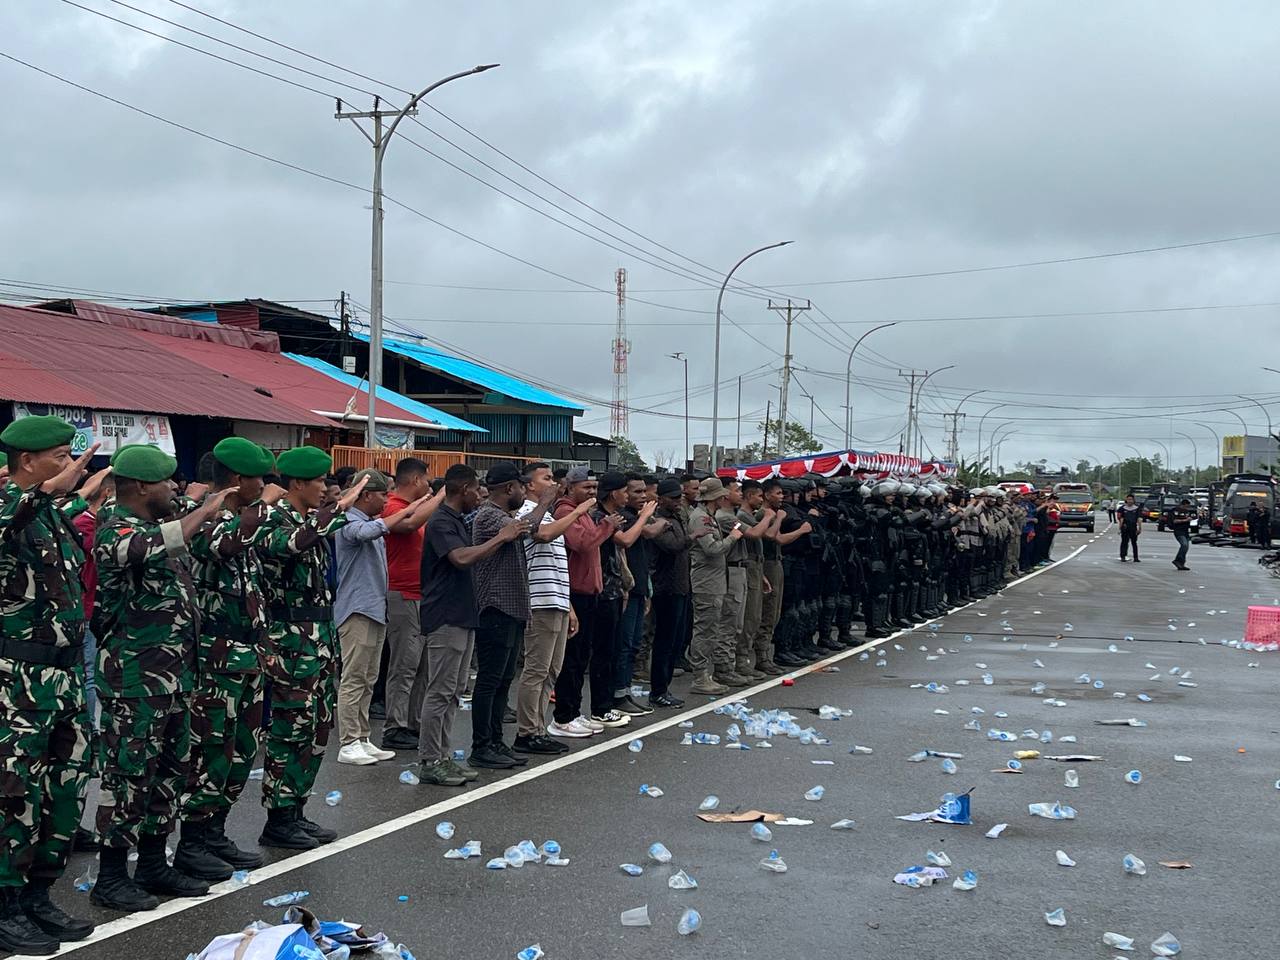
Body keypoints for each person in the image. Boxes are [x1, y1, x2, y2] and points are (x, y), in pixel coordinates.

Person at [91, 444, 232, 911]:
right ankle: (112, 876)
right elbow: (150, 548)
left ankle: (152, 861)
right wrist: (206, 508)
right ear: (141, 487)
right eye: (167, 482)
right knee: (129, 777)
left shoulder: (155, 527)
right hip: (135, 682)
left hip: (174, 680)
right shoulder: (117, 530)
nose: (175, 488)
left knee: (170, 775)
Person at [0, 418, 105, 952]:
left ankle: (38, 894)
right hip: (17, 682)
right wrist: (41, 494)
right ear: (26, 462)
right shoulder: (9, 510)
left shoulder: (49, 520)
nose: (68, 465)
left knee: (63, 791)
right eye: (60, 456)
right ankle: (5, 903)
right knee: (14, 795)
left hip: (62, 677)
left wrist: (56, 494)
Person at [173, 439, 282, 883]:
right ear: (238, 480)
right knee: (211, 751)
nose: (266, 486)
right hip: (217, 658)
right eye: (259, 479)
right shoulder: (207, 521)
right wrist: (262, 508)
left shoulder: (245, 520)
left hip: (249, 654)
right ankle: (192, 840)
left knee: (241, 750)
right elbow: (226, 547)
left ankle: (215, 830)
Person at [254, 449, 366, 850]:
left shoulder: (309, 521)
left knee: (316, 729)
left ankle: (296, 809)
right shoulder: (275, 520)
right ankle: (278, 817)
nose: (325, 489)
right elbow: (290, 546)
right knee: (289, 730)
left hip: (317, 637)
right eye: (319, 482)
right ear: (297, 484)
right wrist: (337, 510)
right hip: (290, 641)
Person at [416, 464, 522, 785]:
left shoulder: (459, 520)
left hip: (463, 614)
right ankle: (430, 759)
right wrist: (500, 538)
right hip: (445, 615)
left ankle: (444, 756)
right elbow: (460, 558)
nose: (481, 495)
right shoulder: (440, 522)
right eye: (477, 490)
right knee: (440, 690)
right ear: (463, 489)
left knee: (454, 691)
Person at [334, 469, 436, 766]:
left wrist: (418, 505)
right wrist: (410, 510)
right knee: (354, 678)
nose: (386, 499)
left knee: (368, 677)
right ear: (365, 495)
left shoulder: (368, 521)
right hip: (357, 609)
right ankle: (348, 741)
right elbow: (371, 531)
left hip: (375, 608)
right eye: (382, 494)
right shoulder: (348, 521)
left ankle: (363, 737)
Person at [468, 462, 544, 769]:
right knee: (489, 680)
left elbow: (525, 528)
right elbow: (531, 528)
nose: (525, 492)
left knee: (503, 680)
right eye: (521, 487)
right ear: (508, 488)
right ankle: (481, 745)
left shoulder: (506, 517)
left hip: (511, 607)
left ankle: (496, 741)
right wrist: (548, 500)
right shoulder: (490, 515)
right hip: (495, 607)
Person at [514, 463, 591, 750]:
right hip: (539, 602)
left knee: (551, 671)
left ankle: (537, 727)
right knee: (536, 670)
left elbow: (559, 568)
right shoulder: (526, 513)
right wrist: (577, 513)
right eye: (545, 478)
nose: (552, 483)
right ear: (529, 485)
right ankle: (526, 732)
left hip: (556, 600)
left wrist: (568, 606)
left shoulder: (547, 515)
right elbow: (541, 535)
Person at [551, 467, 625, 736]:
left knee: (582, 657)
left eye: (594, 488)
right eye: (586, 488)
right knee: (571, 658)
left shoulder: (584, 513)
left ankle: (574, 711)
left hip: (590, 592)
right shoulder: (565, 512)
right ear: (570, 488)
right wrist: (608, 526)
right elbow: (583, 543)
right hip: (575, 593)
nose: (592, 493)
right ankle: (563, 716)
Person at [380, 459, 446, 752]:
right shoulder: (393, 505)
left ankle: (413, 721)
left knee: (422, 667)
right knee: (404, 664)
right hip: (402, 594)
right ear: (416, 480)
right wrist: (441, 496)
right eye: (427, 480)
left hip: (423, 595)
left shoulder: (417, 507)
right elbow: (408, 526)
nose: (429, 485)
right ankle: (395, 726)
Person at [688, 478, 745, 694]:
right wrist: (732, 537)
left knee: (710, 629)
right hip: (706, 582)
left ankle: (705, 674)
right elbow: (711, 549)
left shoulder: (707, 516)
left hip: (714, 580)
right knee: (705, 630)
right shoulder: (701, 518)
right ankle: (700, 676)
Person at [614, 475, 664, 716]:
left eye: (645, 492)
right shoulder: (623, 517)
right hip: (624, 590)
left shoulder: (637, 516)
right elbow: (635, 537)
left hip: (640, 587)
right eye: (636, 492)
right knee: (623, 645)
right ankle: (617, 695)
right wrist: (648, 518)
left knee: (633, 643)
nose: (643, 496)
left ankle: (625, 692)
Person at [648, 478, 693, 707]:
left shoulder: (676, 517)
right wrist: (692, 537)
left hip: (680, 586)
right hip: (665, 587)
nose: (678, 501)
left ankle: (663, 688)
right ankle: (658, 690)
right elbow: (672, 545)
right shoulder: (657, 518)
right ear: (661, 498)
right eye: (673, 498)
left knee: (675, 640)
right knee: (664, 641)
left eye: (680, 497)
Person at [1168, 497, 1195, 571]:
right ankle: (1177, 560)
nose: (1187, 508)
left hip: (1185, 531)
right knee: (1184, 545)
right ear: (1183, 505)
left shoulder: (1187, 512)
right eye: (1187, 506)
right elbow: (1175, 521)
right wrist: (1185, 520)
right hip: (1179, 531)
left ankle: (1181, 563)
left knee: (1186, 547)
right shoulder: (1176, 511)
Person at [1117, 493, 1142, 562]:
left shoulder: (1137, 508)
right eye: (1128, 499)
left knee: (1134, 542)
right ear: (1126, 500)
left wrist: (1139, 528)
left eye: (1131, 499)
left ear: (1133, 500)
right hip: (1125, 527)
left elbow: (1139, 519)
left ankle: (1136, 557)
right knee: (1124, 542)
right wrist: (1119, 528)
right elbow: (1120, 519)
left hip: (1133, 527)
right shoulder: (1122, 508)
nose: (1130, 501)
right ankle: (1123, 556)